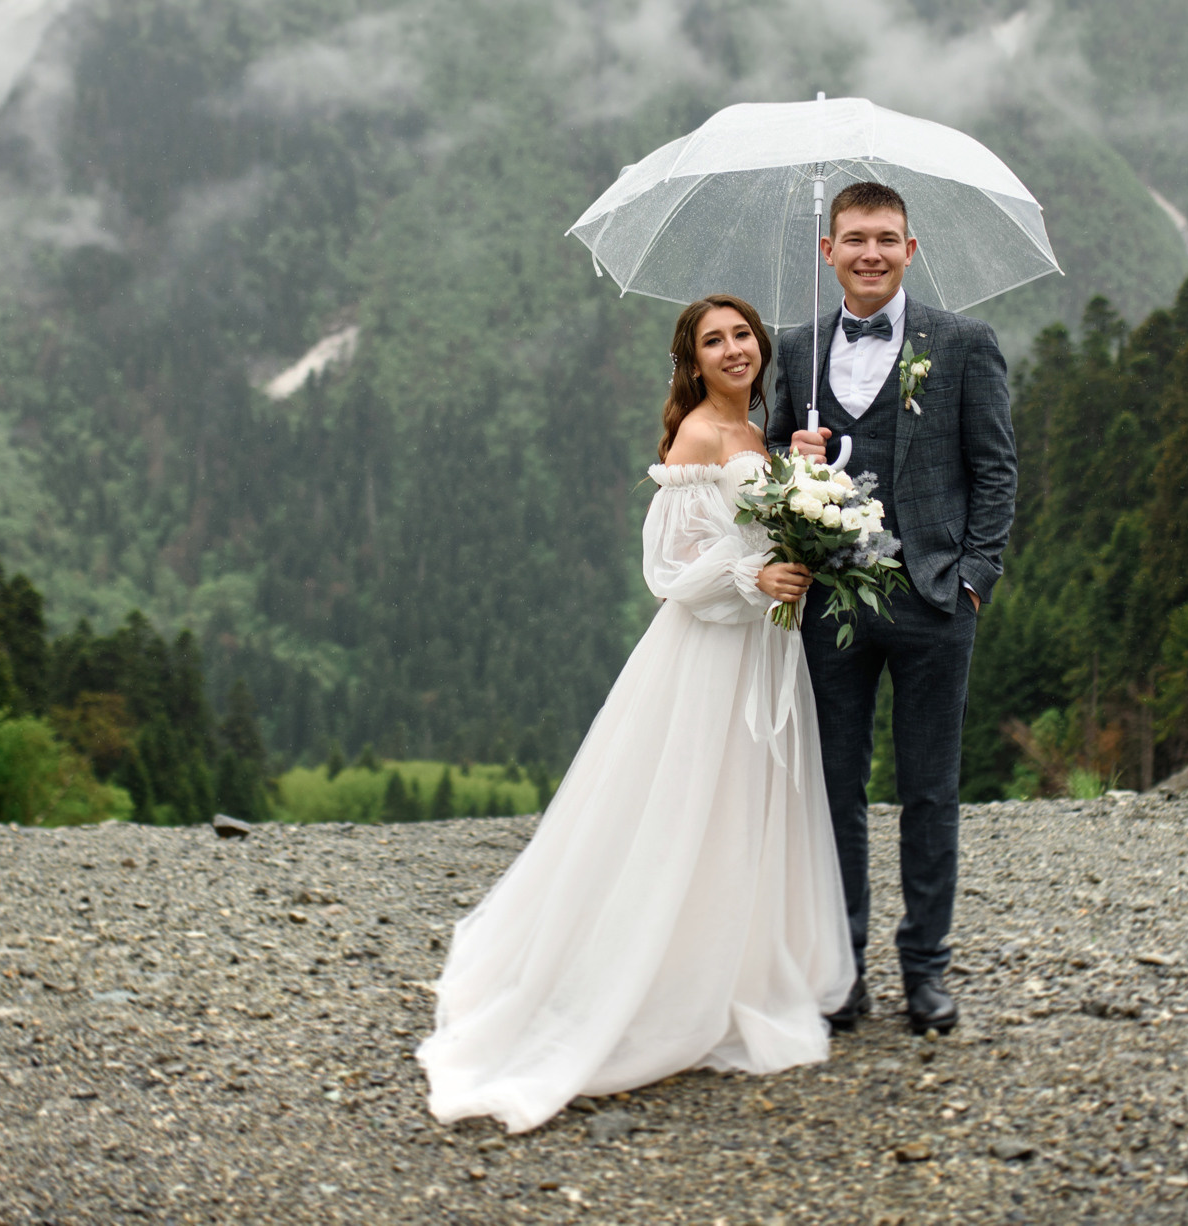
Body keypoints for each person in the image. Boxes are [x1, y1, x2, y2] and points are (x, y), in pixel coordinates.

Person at [417, 294, 855, 1134]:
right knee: (683, 810)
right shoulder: (697, 434)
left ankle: (730, 974)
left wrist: (806, 485)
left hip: (767, 649)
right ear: (692, 361)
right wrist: (751, 578)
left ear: (761, 348)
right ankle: (649, 986)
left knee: (741, 813)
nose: (733, 350)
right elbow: (669, 569)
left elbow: (766, 531)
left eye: (743, 337)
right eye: (713, 341)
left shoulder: (761, 437)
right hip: (711, 656)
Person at [765, 180, 1016, 1036]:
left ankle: (927, 972)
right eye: (854, 238)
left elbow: (996, 469)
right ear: (827, 251)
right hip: (830, 603)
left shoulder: (964, 342)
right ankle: (842, 972)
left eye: (887, 238)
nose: (870, 253)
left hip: (936, 601)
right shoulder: (793, 350)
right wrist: (785, 454)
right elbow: (760, 460)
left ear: (911, 251)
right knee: (831, 792)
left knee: (930, 791)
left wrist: (976, 575)